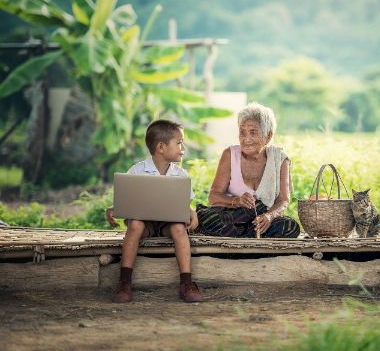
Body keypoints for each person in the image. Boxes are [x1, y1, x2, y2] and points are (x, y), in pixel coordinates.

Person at [106, 119, 202, 303]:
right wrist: (113, 209)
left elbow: (184, 204)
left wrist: (192, 211)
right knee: (135, 223)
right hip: (145, 225)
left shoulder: (181, 175)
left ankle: (186, 283)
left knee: (179, 229)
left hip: (168, 224)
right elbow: (128, 200)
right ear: (161, 147)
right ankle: (124, 282)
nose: (183, 147)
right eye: (179, 142)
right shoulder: (137, 170)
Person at [196, 102, 300, 238]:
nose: (246, 139)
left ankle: (239, 238)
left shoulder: (280, 159)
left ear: (268, 136)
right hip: (232, 217)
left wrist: (269, 216)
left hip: (261, 222)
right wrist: (237, 201)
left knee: (291, 226)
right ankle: (249, 239)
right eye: (242, 132)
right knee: (208, 217)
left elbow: (283, 200)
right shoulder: (230, 154)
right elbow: (213, 197)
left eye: (253, 132)